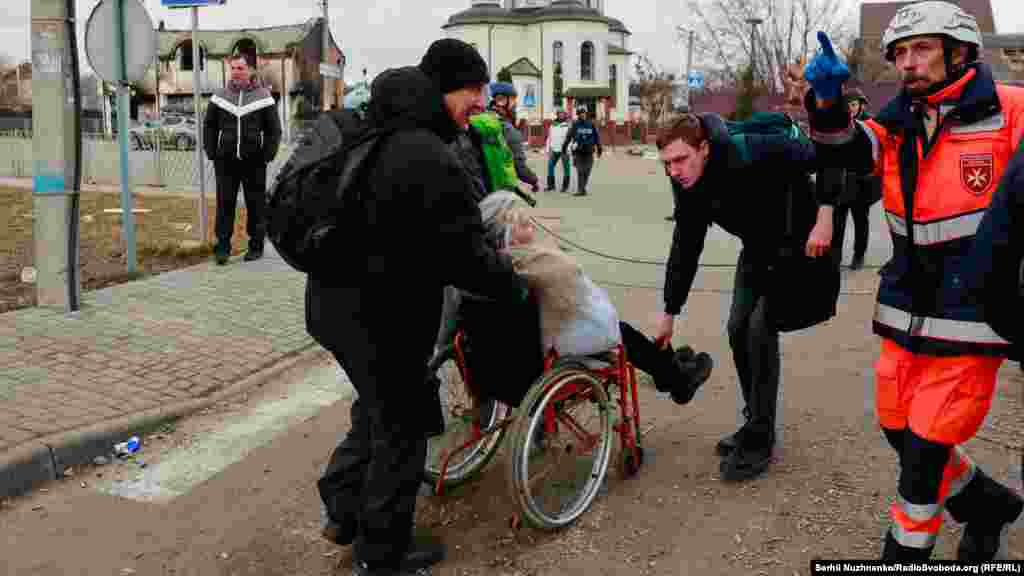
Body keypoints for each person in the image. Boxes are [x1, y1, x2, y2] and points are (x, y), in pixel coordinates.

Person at [803, 0, 1024, 561]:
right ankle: (987, 504)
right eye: (900, 52)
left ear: (961, 51)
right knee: (898, 427)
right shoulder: (899, 118)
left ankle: (902, 558)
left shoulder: (1012, 111)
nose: (908, 62)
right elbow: (847, 148)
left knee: (924, 453)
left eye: (921, 48)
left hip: (973, 314)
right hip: (904, 308)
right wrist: (826, 102)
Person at [306, 39, 529, 576]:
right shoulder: (426, 154)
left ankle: (344, 508)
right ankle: (382, 555)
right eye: (473, 91)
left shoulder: (376, 127)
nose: (481, 103)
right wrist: (513, 284)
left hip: (331, 304)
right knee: (403, 426)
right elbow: (465, 256)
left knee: (379, 408)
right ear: (446, 87)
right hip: (381, 318)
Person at [653, 113, 835, 482]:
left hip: (800, 242)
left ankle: (760, 437)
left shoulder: (752, 149)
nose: (674, 171)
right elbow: (686, 245)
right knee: (737, 328)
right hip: (757, 248)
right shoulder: (685, 183)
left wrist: (826, 216)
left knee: (760, 328)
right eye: (667, 163)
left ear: (704, 149)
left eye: (681, 159)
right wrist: (670, 311)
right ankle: (756, 421)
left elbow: (826, 156)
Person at [476, 191, 713, 403]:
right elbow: (586, 307)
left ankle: (668, 366)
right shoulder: (535, 263)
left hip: (504, 365)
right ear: (509, 236)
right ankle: (676, 378)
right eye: (524, 224)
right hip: (550, 357)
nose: (531, 226)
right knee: (622, 332)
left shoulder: (488, 269)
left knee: (622, 332)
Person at [203, 52, 282, 265]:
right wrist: (211, 151)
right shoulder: (220, 96)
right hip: (225, 161)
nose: (236, 72)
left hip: (254, 161)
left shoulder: (263, 97)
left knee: (255, 204)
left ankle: (256, 245)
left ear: (250, 70)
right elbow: (209, 125)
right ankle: (222, 247)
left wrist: (267, 154)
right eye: (233, 68)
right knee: (224, 203)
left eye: (240, 68)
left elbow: (274, 129)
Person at [828, 88, 881, 271]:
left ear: (860, 105)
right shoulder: (836, 123)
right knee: (837, 222)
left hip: (862, 181)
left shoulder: (870, 124)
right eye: (847, 105)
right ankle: (835, 257)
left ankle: (859, 255)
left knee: (860, 220)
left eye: (853, 104)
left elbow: (878, 153)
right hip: (841, 180)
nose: (850, 108)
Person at [488, 82, 540, 193]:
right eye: (513, 100)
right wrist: (534, 180)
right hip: (499, 188)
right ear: (501, 101)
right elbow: (519, 167)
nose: (515, 105)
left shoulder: (482, 119)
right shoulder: (506, 128)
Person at [562, 106, 603, 196]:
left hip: (589, 151)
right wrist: (564, 147)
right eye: (580, 113)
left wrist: (599, 148)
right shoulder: (575, 124)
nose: (582, 115)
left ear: (586, 114)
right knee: (580, 171)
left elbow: (596, 137)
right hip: (578, 152)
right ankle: (580, 190)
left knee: (587, 171)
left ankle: (582, 188)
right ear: (578, 115)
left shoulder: (591, 124)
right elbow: (569, 136)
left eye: (583, 113)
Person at [544, 109, 572, 193]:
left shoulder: (568, 124)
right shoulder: (553, 124)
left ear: (565, 114)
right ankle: (551, 186)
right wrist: (548, 148)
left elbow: (571, 137)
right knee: (550, 166)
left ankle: (565, 187)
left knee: (566, 167)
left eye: (562, 114)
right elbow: (549, 137)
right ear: (557, 115)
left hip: (564, 149)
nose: (561, 115)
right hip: (554, 149)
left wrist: (569, 148)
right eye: (559, 114)